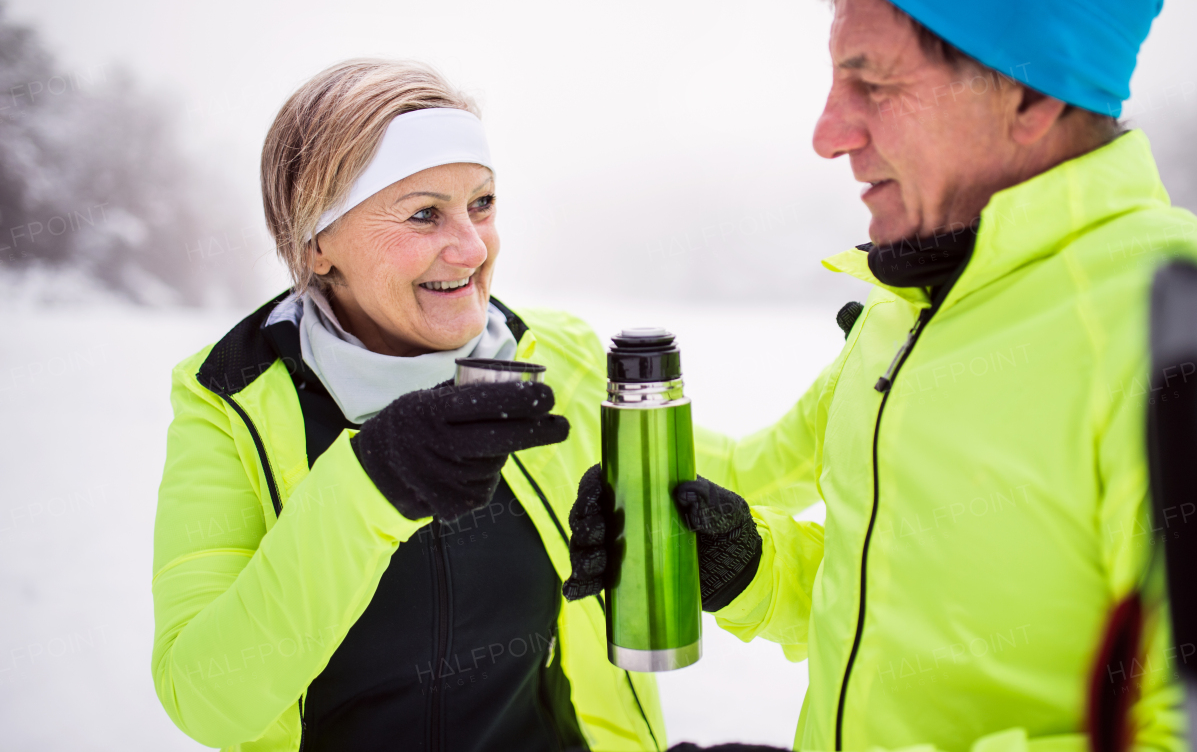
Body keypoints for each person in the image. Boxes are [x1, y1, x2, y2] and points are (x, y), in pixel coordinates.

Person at [564, 0, 1197, 750]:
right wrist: (751, 568)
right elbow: (890, 612)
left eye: (874, 83)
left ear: (1028, 92)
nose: (828, 134)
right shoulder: (908, 307)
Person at [150, 58, 818, 752]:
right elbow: (205, 698)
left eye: (483, 204)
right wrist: (370, 482)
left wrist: (879, 365)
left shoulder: (548, 353)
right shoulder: (233, 397)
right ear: (317, 242)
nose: (471, 248)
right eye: (423, 214)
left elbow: (734, 479)